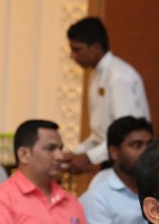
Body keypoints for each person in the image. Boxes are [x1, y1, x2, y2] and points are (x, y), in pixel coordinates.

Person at [0, 119, 90, 224]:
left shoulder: (71, 201)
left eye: (60, 149)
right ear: (24, 154)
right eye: (50, 148)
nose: (60, 156)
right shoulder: (0, 201)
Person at [63, 16, 151, 173]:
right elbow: (100, 135)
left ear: (96, 47)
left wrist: (90, 157)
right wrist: (76, 154)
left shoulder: (118, 77)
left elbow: (128, 136)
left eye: (77, 49)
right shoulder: (96, 74)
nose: (73, 56)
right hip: (112, 159)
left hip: (129, 164)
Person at [79, 116, 155, 224]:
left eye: (150, 144)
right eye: (137, 145)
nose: (147, 151)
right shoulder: (97, 198)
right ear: (114, 152)